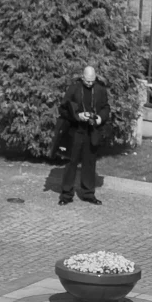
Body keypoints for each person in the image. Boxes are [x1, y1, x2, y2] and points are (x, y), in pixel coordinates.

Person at [58, 66, 110, 206]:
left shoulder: (100, 90)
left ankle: (88, 193)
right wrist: (78, 116)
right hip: (76, 130)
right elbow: (63, 109)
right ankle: (66, 194)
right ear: (82, 77)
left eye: (92, 81)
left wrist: (100, 118)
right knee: (71, 163)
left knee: (89, 163)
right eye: (87, 81)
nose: (89, 84)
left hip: (91, 131)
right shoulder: (74, 89)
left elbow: (106, 107)